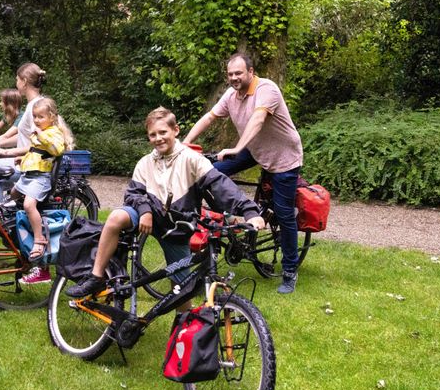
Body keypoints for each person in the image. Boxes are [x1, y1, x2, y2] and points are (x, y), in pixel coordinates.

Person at [67, 107, 266, 299]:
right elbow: (133, 194)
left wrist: (250, 212)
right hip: (148, 217)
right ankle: (96, 276)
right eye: (152, 135)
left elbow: (220, 185)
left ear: (176, 130)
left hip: (176, 228)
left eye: (163, 132)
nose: (158, 138)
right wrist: (145, 211)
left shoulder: (192, 160)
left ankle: (181, 327)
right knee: (116, 217)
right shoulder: (145, 162)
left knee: (182, 293)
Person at [183, 52, 304, 294]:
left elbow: (258, 119)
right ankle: (232, 216)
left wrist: (237, 148)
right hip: (255, 149)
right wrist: (184, 145)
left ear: (251, 71)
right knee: (209, 173)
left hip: (284, 158)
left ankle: (290, 271)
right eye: (230, 74)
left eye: (239, 73)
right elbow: (209, 117)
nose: (234, 78)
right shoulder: (231, 95)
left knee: (283, 213)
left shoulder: (266, 89)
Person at [0, 62, 53, 284]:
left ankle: (1, 226)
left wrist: (1, 151)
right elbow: (22, 136)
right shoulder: (33, 105)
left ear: (24, 81)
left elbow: (35, 144)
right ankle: (3, 220)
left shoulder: (37, 106)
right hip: (24, 162)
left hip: (31, 166)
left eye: (17, 79)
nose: (16, 83)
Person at [4, 97, 70, 260]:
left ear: (52, 118)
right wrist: (23, 159)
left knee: (29, 205)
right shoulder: (41, 134)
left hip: (40, 179)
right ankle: (14, 226)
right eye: (35, 116)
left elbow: (56, 150)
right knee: (11, 196)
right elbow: (36, 152)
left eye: (41, 117)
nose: (36, 120)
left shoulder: (53, 133)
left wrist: (41, 135)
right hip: (29, 176)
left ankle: (39, 239)